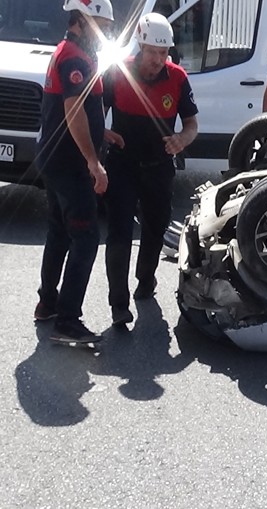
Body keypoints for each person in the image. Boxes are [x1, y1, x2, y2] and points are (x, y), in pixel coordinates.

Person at [103, 12, 198, 326]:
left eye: (164, 52)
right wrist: (103, 132)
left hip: (158, 167)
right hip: (122, 164)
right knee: (119, 231)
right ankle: (118, 304)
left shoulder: (178, 78)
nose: (158, 59)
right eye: (153, 52)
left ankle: (146, 278)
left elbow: (192, 124)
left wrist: (181, 140)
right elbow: (95, 113)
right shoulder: (117, 72)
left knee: (155, 228)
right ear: (140, 46)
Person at [34, 0, 115, 344]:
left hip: (56, 160)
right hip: (70, 165)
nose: (106, 34)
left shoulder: (71, 51)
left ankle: (47, 304)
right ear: (82, 21)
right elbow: (73, 111)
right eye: (102, 27)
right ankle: (67, 321)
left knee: (59, 232)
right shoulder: (74, 58)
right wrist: (93, 162)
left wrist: (102, 132)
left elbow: (75, 110)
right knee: (86, 238)